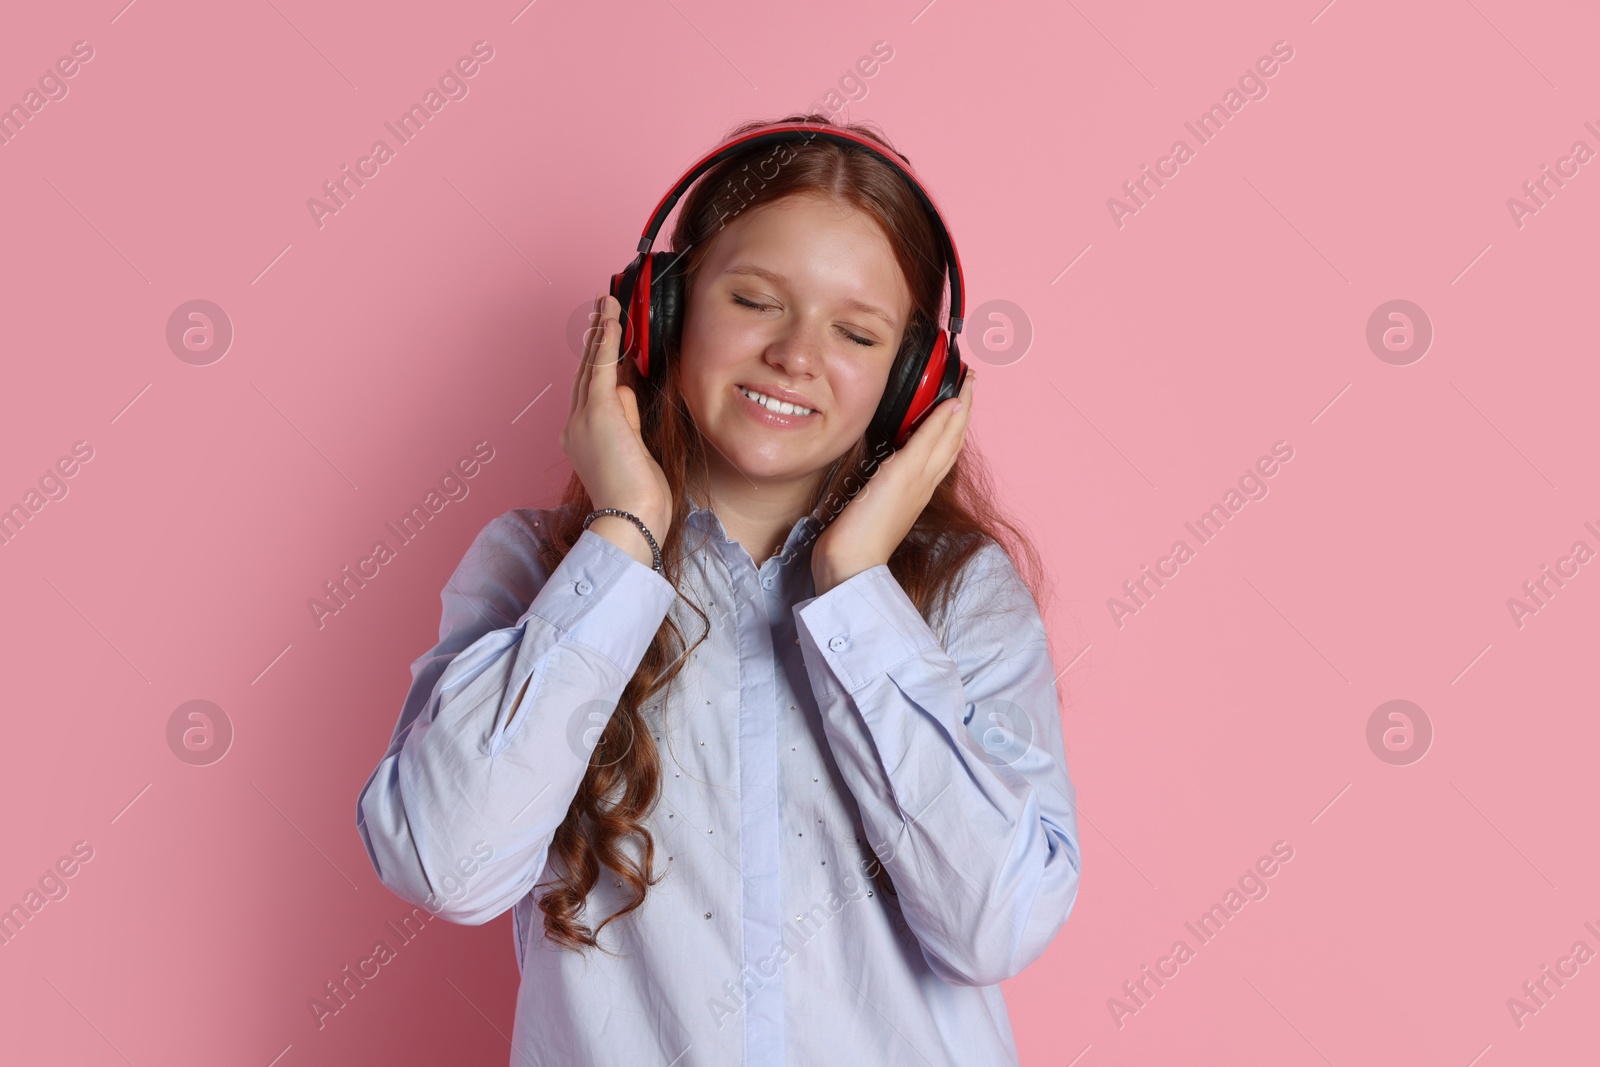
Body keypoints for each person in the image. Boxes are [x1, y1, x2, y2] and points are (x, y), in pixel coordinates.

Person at [355, 112, 1082, 1066]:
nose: (795, 353)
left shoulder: (962, 599)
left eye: (857, 332)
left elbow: (996, 926)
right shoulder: (537, 572)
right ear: (664, 309)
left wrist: (858, 591)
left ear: (912, 382)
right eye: (754, 299)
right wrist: (622, 539)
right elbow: (445, 865)